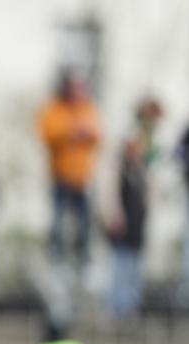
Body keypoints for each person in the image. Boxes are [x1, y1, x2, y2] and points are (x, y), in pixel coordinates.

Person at [106, 99, 162, 317]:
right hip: (122, 227)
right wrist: (114, 216)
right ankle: (116, 308)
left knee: (134, 268)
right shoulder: (119, 170)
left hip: (137, 227)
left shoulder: (143, 173)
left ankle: (130, 307)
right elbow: (110, 196)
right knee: (120, 266)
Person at [38, 73, 101, 266]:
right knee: (59, 220)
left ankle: (82, 260)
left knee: (84, 223)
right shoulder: (55, 109)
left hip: (82, 177)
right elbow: (48, 135)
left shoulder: (88, 109)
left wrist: (84, 132)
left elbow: (97, 134)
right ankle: (56, 257)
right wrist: (70, 132)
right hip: (61, 175)